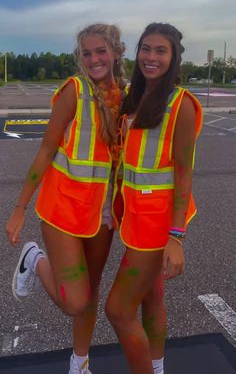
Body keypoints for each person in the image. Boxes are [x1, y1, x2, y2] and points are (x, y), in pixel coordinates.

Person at [6, 23, 126, 374]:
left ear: (116, 52)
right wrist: (19, 208)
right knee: (76, 301)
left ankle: (79, 362)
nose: (93, 59)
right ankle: (35, 258)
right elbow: (45, 151)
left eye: (100, 51)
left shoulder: (128, 96)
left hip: (100, 215)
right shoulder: (74, 91)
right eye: (86, 53)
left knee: (91, 290)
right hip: (61, 209)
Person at [106, 22, 203, 374]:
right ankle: (158, 367)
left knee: (117, 310)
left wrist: (176, 238)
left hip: (157, 225)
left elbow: (183, 174)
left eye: (160, 51)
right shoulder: (134, 96)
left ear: (173, 56)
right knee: (151, 297)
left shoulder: (181, 105)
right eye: (145, 49)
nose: (151, 57)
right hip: (135, 217)